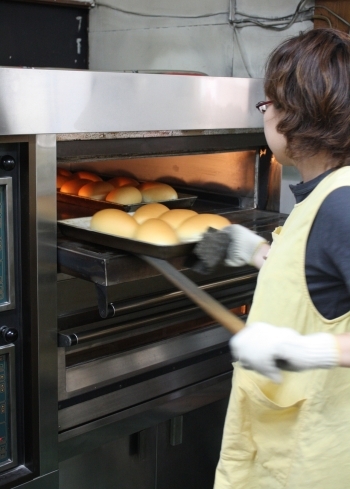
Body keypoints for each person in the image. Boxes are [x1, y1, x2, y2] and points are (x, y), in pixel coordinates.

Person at [212, 28, 350, 489]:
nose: (265, 113)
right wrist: (253, 251)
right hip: (280, 445)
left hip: (311, 461)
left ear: (294, 111)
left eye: (268, 102)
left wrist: (301, 350)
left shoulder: (342, 204)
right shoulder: (323, 195)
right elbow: (321, 284)